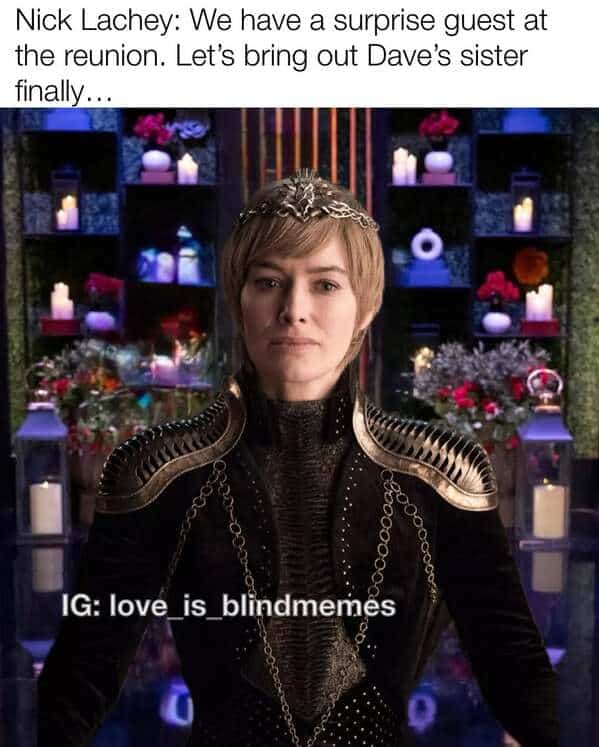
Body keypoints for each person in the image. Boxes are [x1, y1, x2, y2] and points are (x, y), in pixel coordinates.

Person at [37, 170, 558, 746]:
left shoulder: (439, 472)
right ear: (238, 299)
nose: (294, 309)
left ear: (366, 306)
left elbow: (515, 667)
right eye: (268, 282)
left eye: (326, 284)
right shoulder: (159, 470)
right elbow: (82, 673)